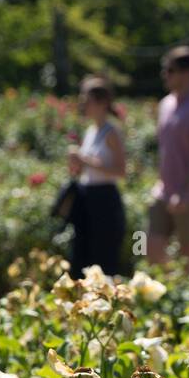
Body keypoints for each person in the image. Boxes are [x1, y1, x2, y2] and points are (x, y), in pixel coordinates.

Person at [147, 45, 189, 272]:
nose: (165, 75)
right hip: (164, 191)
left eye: (170, 70)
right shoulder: (165, 104)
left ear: (187, 73)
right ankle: (167, 293)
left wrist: (185, 191)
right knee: (152, 246)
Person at [67, 76, 128, 277]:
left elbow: (120, 171)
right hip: (88, 197)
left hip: (105, 200)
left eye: (87, 101)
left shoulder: (111, 132)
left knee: (104, 259)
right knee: (83, 257)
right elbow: (88, 169)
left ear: (102, 103)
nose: (83, 106)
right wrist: (77, 164)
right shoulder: (91, 130)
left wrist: (85, 161)